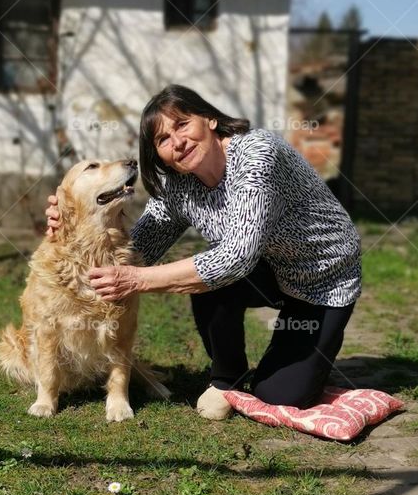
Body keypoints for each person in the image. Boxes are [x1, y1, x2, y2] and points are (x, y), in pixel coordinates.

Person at [45, 84, 362, 417]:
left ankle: (311, 343)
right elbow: (139, 249)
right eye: (163, 140)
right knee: (204, 281)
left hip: (321, 279)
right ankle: (229, 379)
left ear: (210, 120)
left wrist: (136, 279)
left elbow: (236, 257)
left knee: (279, 396)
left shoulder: (258, 154)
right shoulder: (179, 184)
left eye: (182, 124)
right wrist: (75, 218)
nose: (177, 142)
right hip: (263, 270)